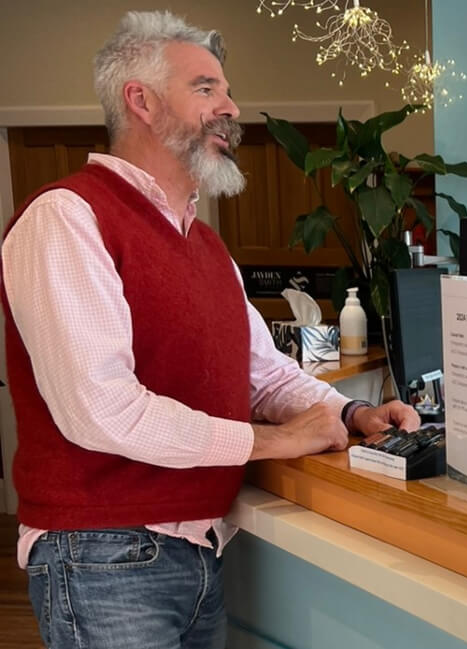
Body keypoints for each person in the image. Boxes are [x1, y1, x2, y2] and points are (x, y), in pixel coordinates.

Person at [0, 11, 420, 648]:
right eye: (206, 89)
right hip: (101, 558)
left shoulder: (205, 246)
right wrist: (274, 442)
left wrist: (350, 413)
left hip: (197, 551)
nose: (232, 107)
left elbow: (262, 373)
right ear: (138, 100)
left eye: (226, 91)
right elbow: (101, 411)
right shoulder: (66, 217)